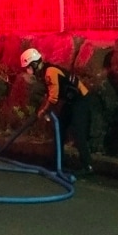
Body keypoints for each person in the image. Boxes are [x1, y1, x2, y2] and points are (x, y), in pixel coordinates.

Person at [20, 47, 94, 176]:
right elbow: (50, 94)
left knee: (78, 132)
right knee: (59, 127)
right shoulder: (46, 73)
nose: (28, 71)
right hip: (71, 101)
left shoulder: (50, 72)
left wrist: (44, 111)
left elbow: (53, 98)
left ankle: (88, 166)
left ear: (35, 64)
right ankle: (57, 162)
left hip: (80, 100)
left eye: (29, 67)